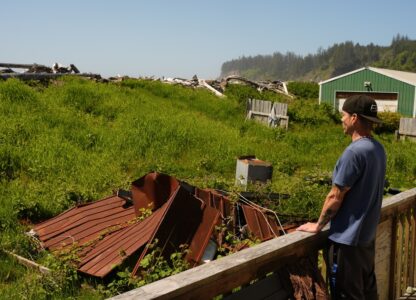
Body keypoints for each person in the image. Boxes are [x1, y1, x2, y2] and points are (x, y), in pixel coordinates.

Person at [296, 94, 386, 299]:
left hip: (347, 243)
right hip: (366, 239)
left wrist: (318, 226)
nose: (341, 120)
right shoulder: (378, 149)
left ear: (354, 118)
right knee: (367, 292)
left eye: (343, 115)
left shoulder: (354, 153)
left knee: (346, 295)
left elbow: (335, 197)